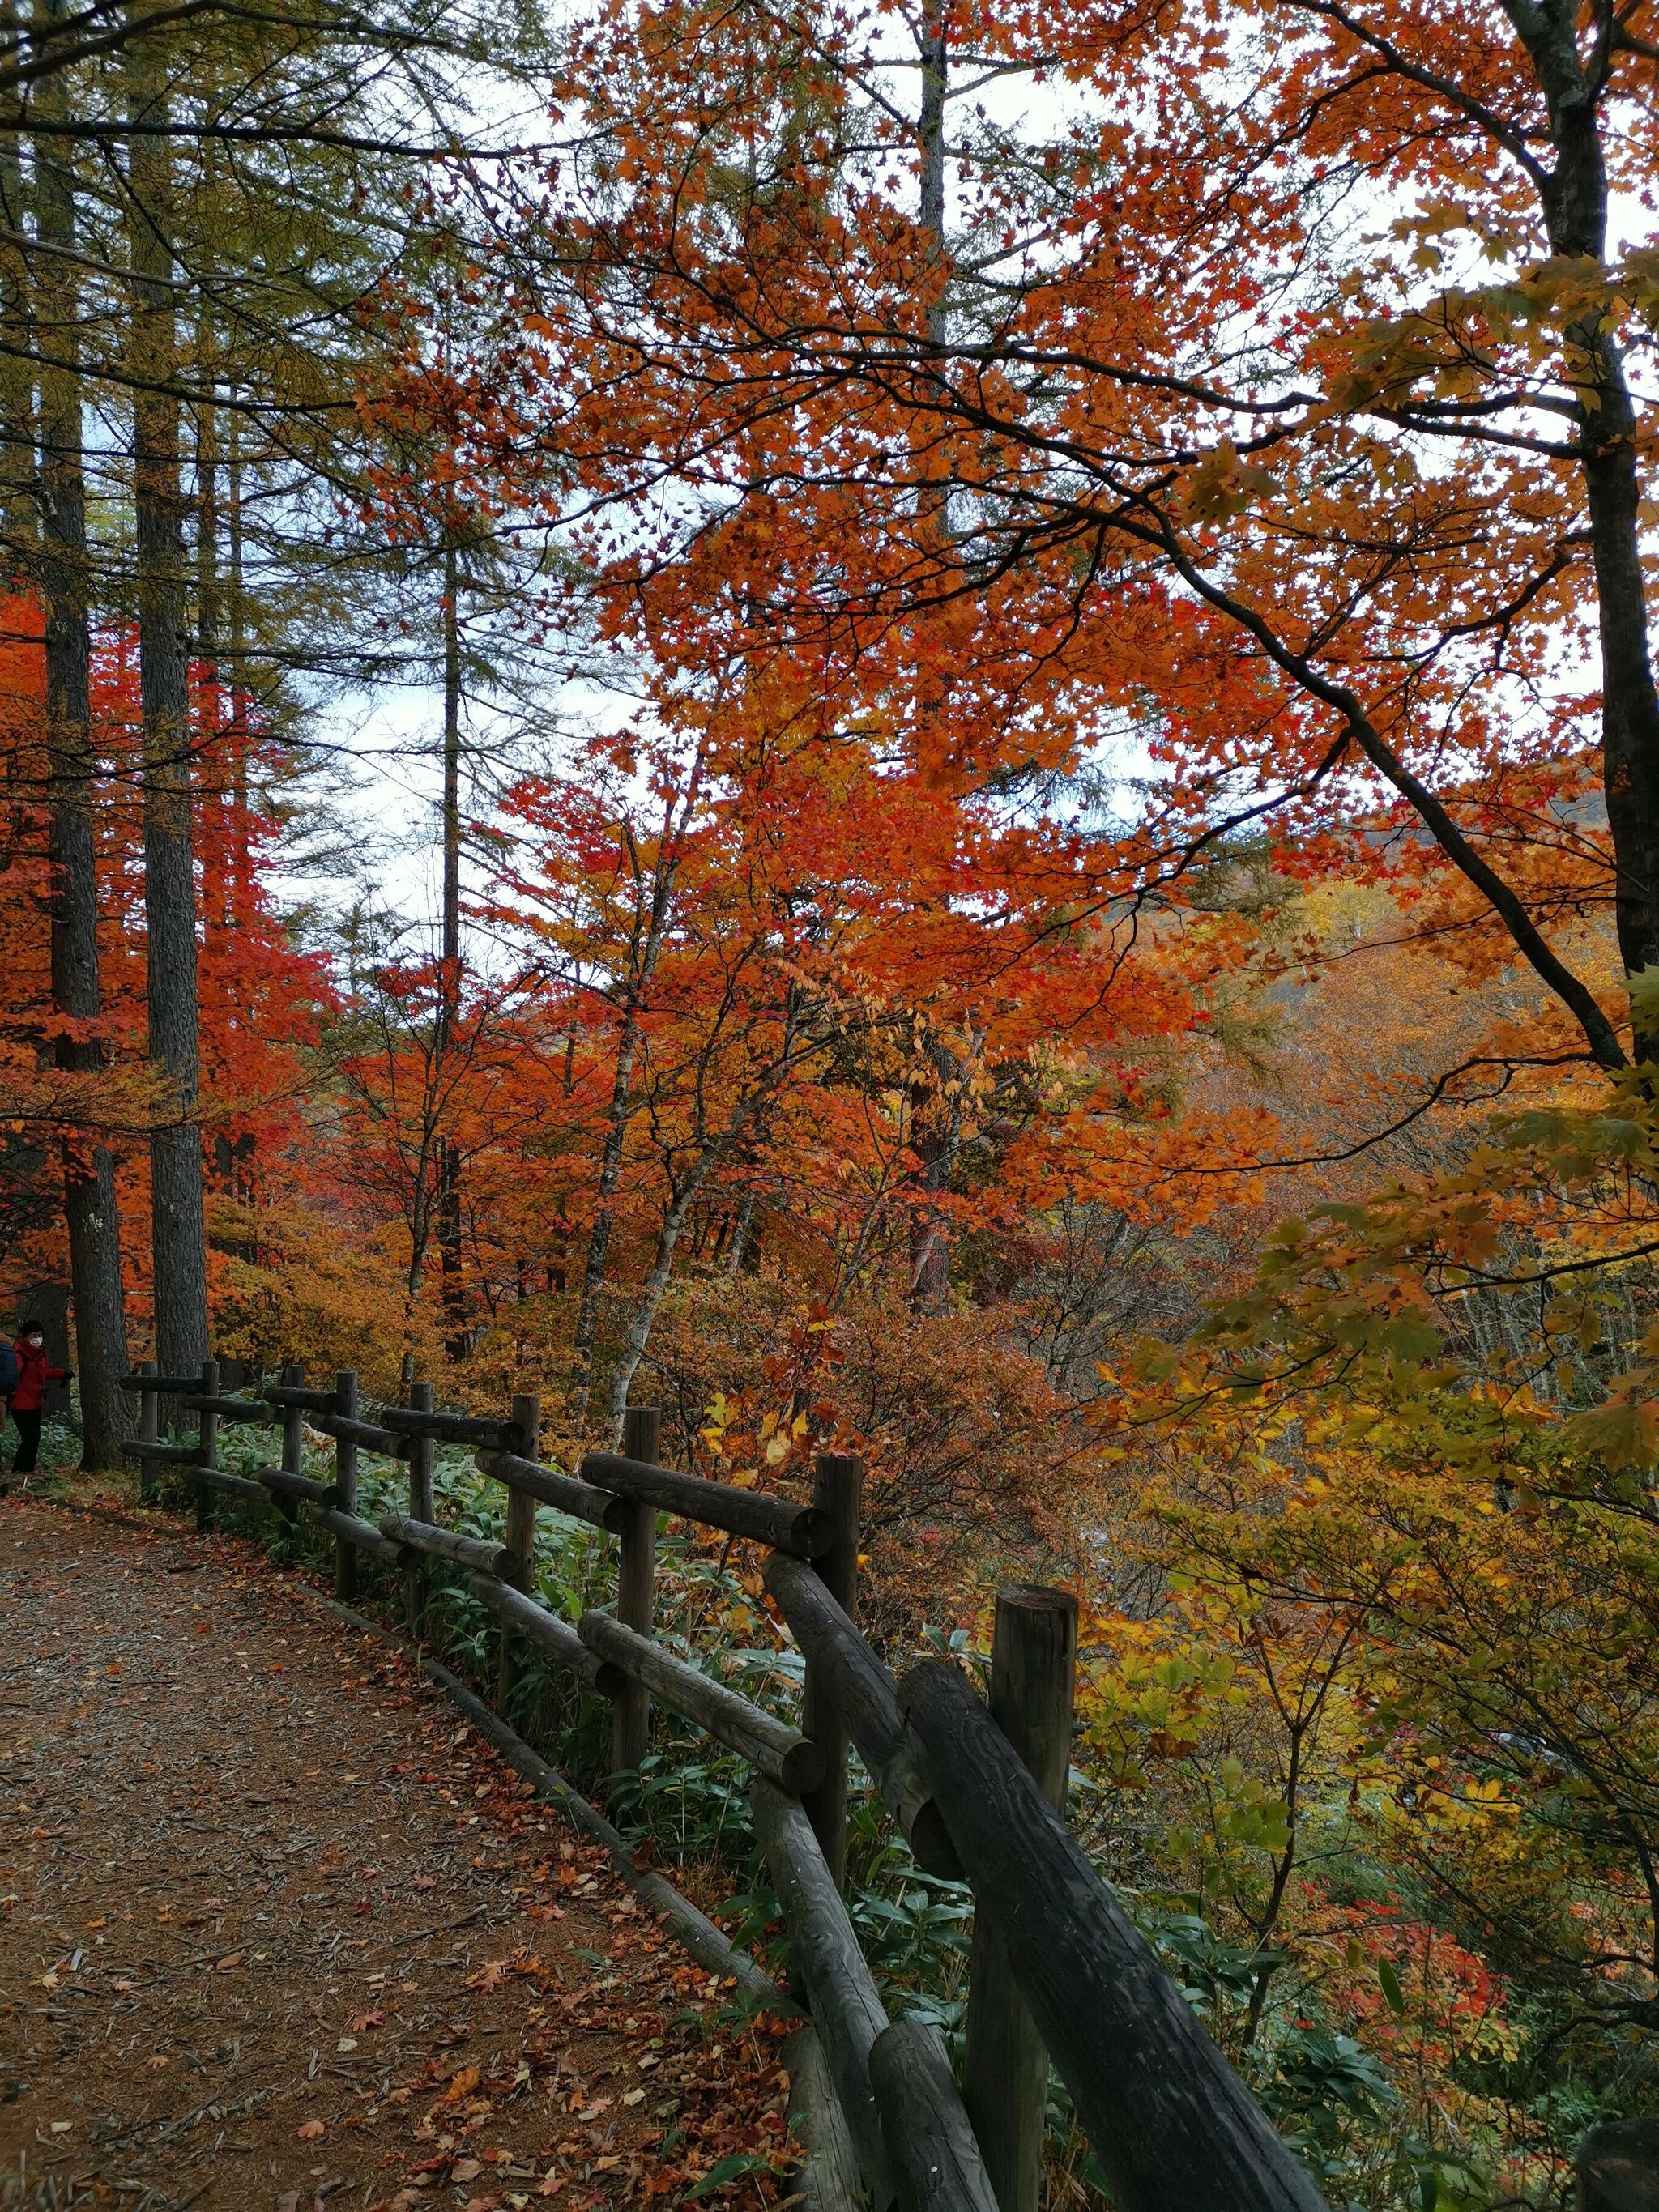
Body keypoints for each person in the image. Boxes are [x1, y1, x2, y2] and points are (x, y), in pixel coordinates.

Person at [6, 1320, 70, 1481]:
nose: (37, 1338)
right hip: (20, 1404)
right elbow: (13, 1376)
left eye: (39, 1335)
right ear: (25, 1337)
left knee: (35, 1437)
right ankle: (19, 1471)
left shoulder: (39, 1354)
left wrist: (62, 1374)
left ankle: (27, 1470)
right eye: (34, 1336)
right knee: (30, 1437)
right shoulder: (19, 1354)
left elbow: (44, 1373)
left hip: (35, 1402)